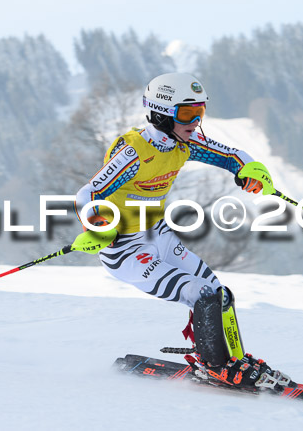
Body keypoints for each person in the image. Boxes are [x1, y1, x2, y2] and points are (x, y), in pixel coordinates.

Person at [74, 73, 290, 390]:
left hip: (158, 236)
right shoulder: (135, 152)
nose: (196, 121)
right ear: (161, 114)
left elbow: (230, 155)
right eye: (187, 113)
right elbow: (88, 195)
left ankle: (231, 361)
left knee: (218, 294)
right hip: (127, 251)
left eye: (200, 112)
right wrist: (98, 222)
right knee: (200, 295)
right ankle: (217, 367)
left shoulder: (183, 142)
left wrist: (248, 169)